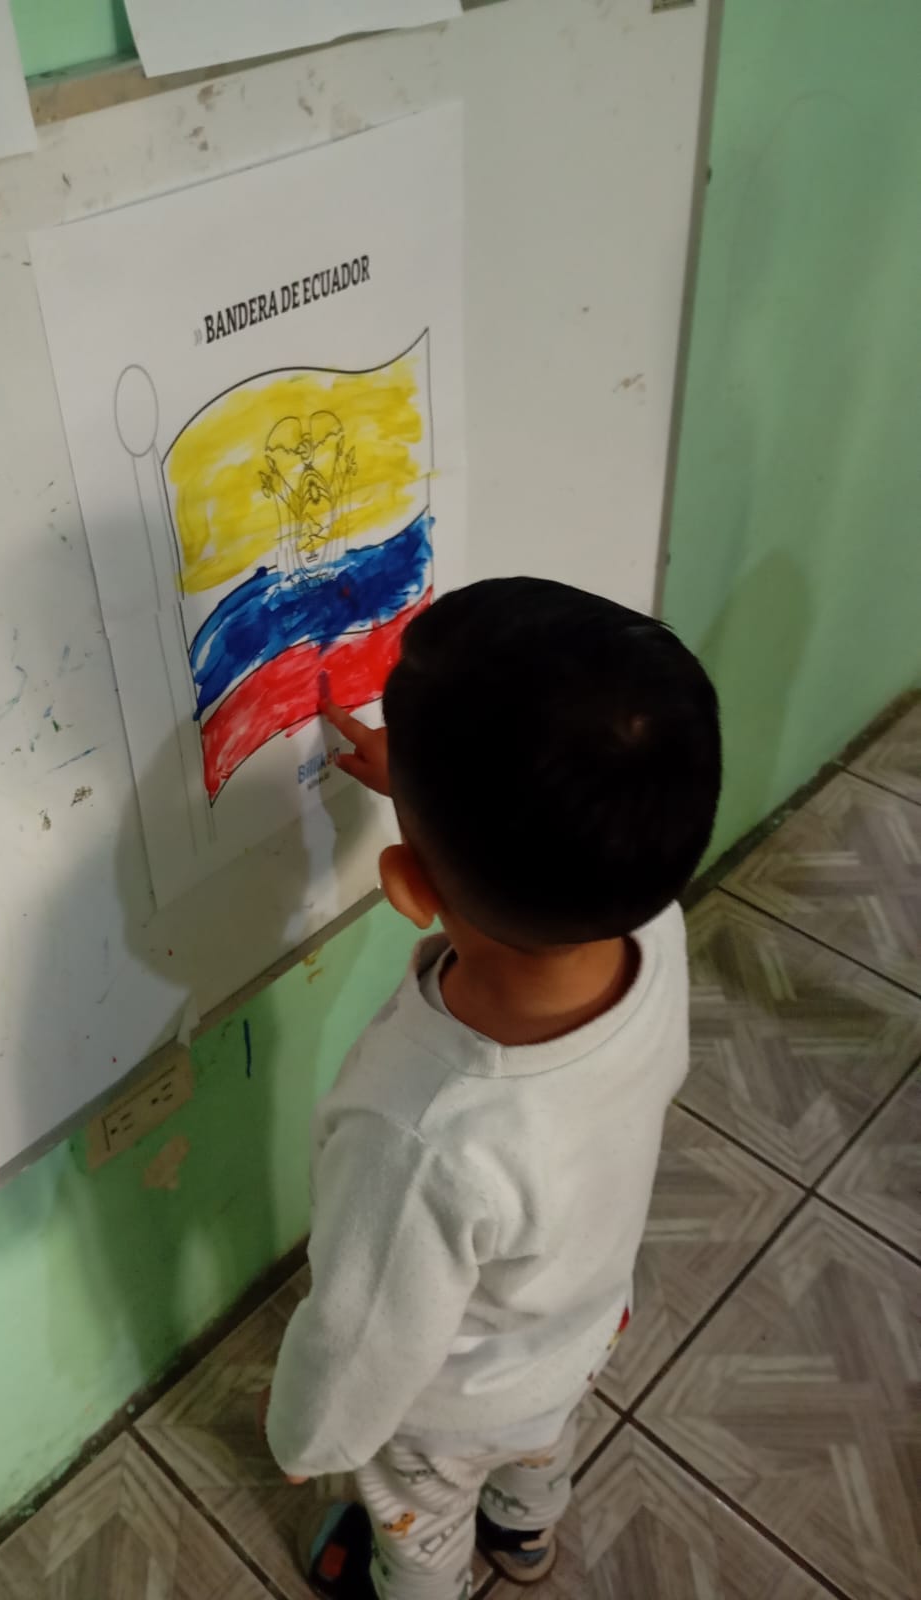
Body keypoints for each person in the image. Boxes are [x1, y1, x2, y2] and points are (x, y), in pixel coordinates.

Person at [262, 577, 722, 1599]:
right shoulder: (650, 925)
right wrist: (428, 786)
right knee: (539, 1447)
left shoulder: (420, 1129)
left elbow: (364, 1334)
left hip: (451, 1410)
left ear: (406, 887)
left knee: (420, 1526)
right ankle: (524, 1537)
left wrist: (308, 1435)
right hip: (582, 1330)